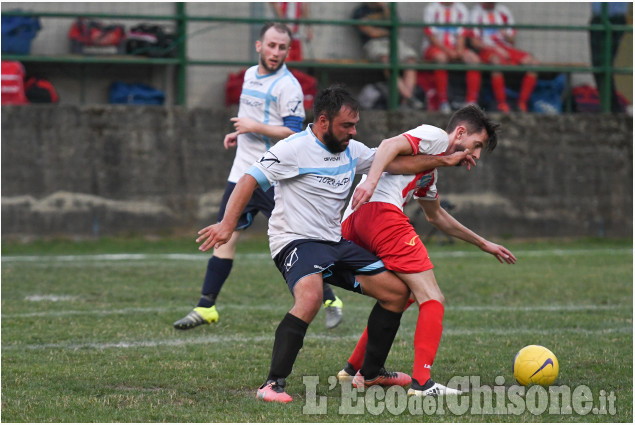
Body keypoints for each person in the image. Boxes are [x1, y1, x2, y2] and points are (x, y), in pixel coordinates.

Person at [196, 85, 476, 403]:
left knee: (397, 293)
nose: (353, 132)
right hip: (295, 242)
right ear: (324, 121)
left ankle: (370, 374)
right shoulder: (293, 148)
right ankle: (272, 385)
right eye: (347, 125)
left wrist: (445, 161)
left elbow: (396, 164)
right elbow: (249, 179)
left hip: (334, 243)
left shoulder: (352, 150)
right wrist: (227, 224)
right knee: (311, 298)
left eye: (355, 125)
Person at [174, 22, 344, 332]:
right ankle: (206, 306)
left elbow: (294, 131)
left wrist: (254, 128)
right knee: (225, 236)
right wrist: (238, 134)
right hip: (242, 173)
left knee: (295, 243)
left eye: (282, 47)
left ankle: (330, 298)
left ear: (287, 51)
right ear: (258, 46)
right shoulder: (250, 76)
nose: (276, 52)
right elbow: (252, 121)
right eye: (271, 46)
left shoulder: (288, 86)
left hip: (273, 176)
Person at [336, 105, 516, 396]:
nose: (476, 155)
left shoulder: (429, 173)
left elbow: (437, 216)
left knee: (400, 294)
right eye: (477, 145)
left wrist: (485, 244)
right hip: (380, 215)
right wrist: (370, 182)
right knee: (432, 296)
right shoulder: (434, 137)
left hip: (352, 226)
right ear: (460, 133)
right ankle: (423, 383)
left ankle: (356, 369)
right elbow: (389, 145)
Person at [352, 2, 424, 109]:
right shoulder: (360, 11)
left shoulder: (389, 9)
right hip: (373, 43)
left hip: (393, 41)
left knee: (410, 59)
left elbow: (397, 29)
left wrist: (385, 9)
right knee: (386, 59)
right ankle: (409, 97)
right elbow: (372, 33)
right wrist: (389, 31)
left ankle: (406, 101)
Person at [469, 2, 539, 113]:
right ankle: (501, 104)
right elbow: (474, 42)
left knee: (533, 63)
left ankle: (522, 103)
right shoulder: (475, 13)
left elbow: (512, 40)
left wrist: (505, 37)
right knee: (496, 62)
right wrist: (495, 48)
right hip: (487, 49)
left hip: (505, 48)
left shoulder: (503, 12)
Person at [422, 2, 482, 113]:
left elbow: (462, 34)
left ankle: (471, 102)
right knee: (441, 58)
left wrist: (459, 50)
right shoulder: (431, 8)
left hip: (455, 47)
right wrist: (448, 51)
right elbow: (431, 36)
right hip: (435, 47)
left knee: (474, 59)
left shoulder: (461, 8)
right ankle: (443, 101)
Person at [589, 2, 629, 113]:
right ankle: (609, 106)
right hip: (598, 18)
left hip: (614, 18)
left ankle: (612, 107)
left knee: (603, 64)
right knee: (598, 66)